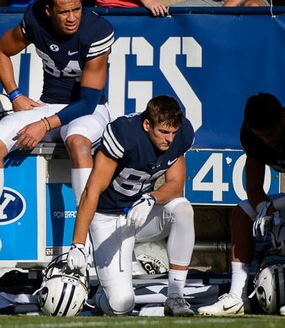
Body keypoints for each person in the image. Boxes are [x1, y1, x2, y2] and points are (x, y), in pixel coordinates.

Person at [0, 0, 114, 261]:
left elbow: (88, 101)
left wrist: (43, 124)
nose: (72, 18)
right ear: (49, 10)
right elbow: (0, 51)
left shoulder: (96, 30)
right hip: (48, 104)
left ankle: (86, 241)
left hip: (88, 110)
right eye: (64, 12)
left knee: (78, 143)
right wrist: (15, 94)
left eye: (76, 9)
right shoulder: (35, 19)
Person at [67, 95, 196, 316]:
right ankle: (101, 296)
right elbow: (92, 190)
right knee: (121, 305)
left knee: (182, 210)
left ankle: (175, 295)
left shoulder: (181, 135)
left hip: (141, 210)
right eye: (163, 133)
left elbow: (176, 185)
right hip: (108, 218)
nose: (169, 139)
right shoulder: (124, 133)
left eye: (173, 132)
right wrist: (78, 243)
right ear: (147, 124)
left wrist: (151, 198)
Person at [198, 93, 285, 316]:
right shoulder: (252, 136)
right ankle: (237, 297)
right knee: (243, 212)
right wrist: (264, 209)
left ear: (282, 119)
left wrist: (278, 207)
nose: (267, 140)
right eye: (261, 135)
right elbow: (254, 187)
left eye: (271, 133)